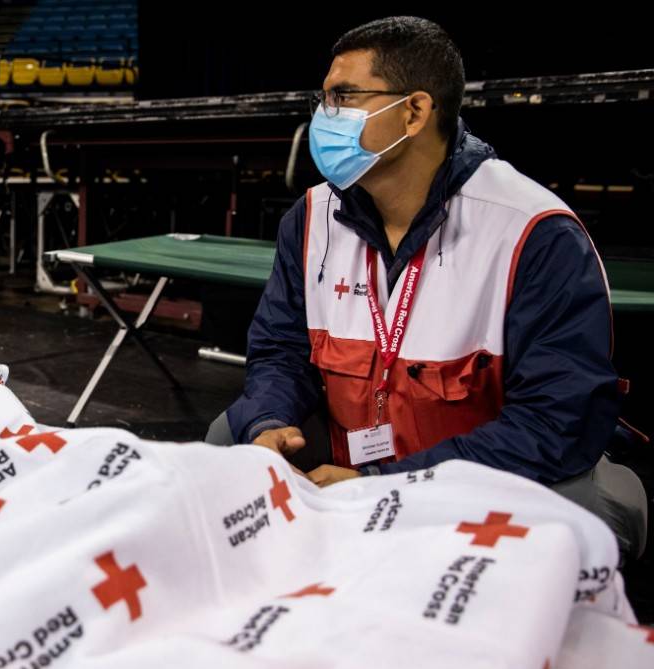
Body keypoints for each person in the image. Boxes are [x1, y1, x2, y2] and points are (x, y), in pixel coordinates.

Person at [205, 17, 646, 559]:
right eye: (321, 100)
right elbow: (280, 349)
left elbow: (554, 422)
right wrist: (271, 422)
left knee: (590, 518)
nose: (323, 117)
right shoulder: (310, 218)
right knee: (231, 443)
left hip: (481, 479)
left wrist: (388, 483)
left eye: (343, 97)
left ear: (413, 111)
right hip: (357, 466)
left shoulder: (533, 232)